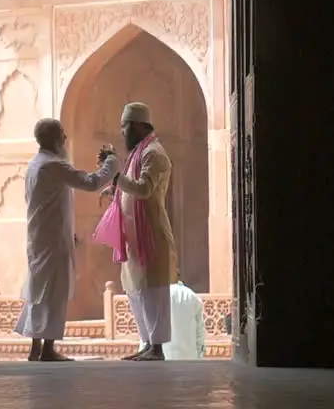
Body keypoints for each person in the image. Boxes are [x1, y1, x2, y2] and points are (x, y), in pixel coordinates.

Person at [15, 118, 119, 361]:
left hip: (41, 238)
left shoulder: (35, 164)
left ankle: (36, 347)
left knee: (39, 290)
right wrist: (112, 160)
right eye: (61, 134)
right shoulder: (52, 165)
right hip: (52, 240)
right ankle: (48, 349)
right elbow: (91, 182)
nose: (65, 138)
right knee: (53, 292)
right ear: (53, 139)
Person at [102, 102, 179, 361]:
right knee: (137, 291)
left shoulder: (154, 153)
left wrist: (115, 178)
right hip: (134, 239)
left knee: (154, 292)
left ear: (138, 126)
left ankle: (157, 349)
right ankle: (147, 344)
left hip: (151, 236)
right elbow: (129, 189)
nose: (122, 132)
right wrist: (114, 190)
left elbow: (144, 190)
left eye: (125, 126)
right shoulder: (138, 154)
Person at [137, 276, 207, 360]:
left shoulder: (154, 296)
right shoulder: (192, 296)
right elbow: (200, 336)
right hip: (188, 360)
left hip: (159, 360)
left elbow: (146, 331)